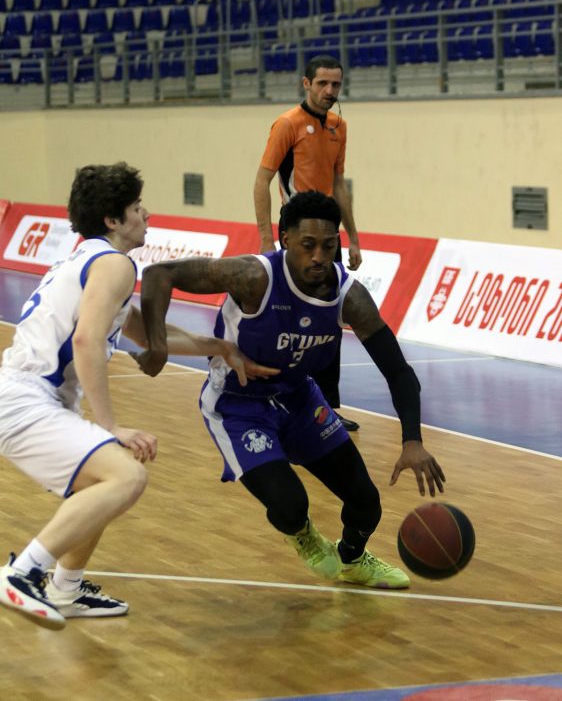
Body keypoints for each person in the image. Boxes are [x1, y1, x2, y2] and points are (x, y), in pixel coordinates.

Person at [0, 162, 277, 631]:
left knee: (98, 483)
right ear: (113, 219)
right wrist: (109, 426)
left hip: (24, 398)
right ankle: (21, 574)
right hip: (26, 399)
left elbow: (146, 334)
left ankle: (66, 587)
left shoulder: (89, 260)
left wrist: (221, 347)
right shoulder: (114, 265)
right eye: (136, 207)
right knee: (127, 477)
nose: (146, 214)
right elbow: (87, 340)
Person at [135, 190, 446, 590]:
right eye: (308, 245)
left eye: (329, 246)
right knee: (291, 503)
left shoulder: (348, 296)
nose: (319, 256)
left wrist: (412, 441)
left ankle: (353, 560)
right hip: (238, 405)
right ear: (285, 240)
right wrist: (158, 344)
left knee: (366, 501)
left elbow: (399, 372)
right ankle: (302, 533)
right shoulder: (254, 277)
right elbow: (160, 274)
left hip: (299, 399)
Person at [254, 54, 362, 432]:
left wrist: (353, 238)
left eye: (336, 84)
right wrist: (267, 241)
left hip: (329, 237)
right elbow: (262, 181)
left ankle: (327, 407)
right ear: (306, 84)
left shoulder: (339, 127)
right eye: (322, 84)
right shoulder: (288, 124)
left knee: (330, 320)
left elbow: (339, 185)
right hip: (296, 234)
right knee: (287, 321)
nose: (330, 91)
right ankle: (277, 398)